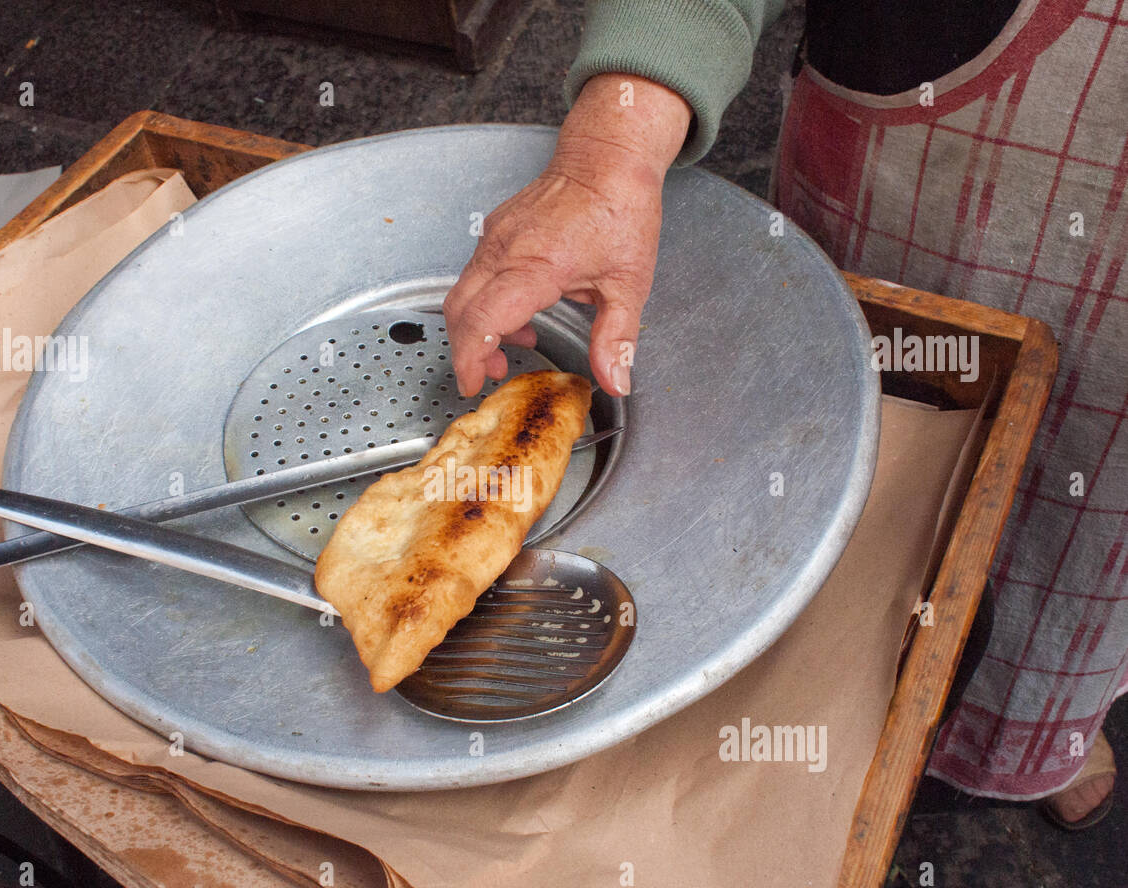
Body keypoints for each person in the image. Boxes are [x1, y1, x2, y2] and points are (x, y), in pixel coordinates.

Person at [444, 0, 1123, 828]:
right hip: (917, 188)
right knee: (838, 516)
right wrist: (610, 158)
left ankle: (1041, 726)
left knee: (1088, 567)